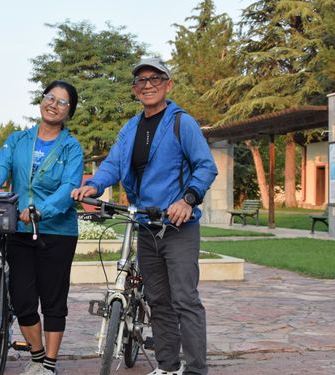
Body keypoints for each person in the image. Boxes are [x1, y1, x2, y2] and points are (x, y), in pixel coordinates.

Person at [71, 57, 217, 375]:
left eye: (155, 78)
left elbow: (206, 166)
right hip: (146, 227)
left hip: (178, 227)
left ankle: (195, 370)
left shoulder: (182, 123)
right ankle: (167, 366)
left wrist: (187, 199)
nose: (148, 85)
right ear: (135, 89)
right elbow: (113, 163)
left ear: (168, 84)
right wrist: (94, 185)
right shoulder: (131, 128)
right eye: (141, 80)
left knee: (184, 299)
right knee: (158, 300)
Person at [0, 80, 83, 374]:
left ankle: (50, 365)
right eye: (49, 97)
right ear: (41, 101)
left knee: (53, 300)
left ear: (69, 112)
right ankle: (38, 357)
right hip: (18, 230)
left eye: (62, 102)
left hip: (56, 232)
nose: (53, 104)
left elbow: (69, 187)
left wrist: (43, 209)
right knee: (23, 298)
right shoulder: (18, 140)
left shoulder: (71, 148)